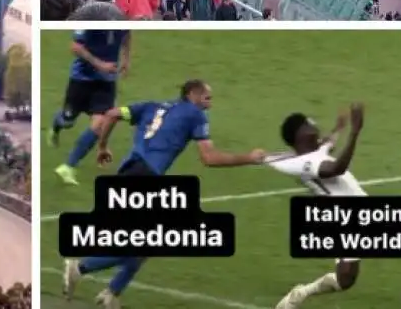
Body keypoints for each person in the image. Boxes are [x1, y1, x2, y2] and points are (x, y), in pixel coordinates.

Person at [62, 80, 267, 308]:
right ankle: (81, 268)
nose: (210, 103)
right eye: (207, 97)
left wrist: (102, 147)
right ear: (193, 95)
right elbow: (209, 158)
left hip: (130, 173)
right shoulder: (195, 115)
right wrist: (248, 158)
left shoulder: (153, 106)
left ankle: (112, 292)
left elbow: (111, 114)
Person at [269, 106, 401, 309]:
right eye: (309, 124)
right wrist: (354, 131)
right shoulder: (304, 163)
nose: (314, 125)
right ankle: (301, 293)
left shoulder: (314, 152)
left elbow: (326, 144)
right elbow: (337, 168)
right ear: (300, 134)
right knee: (346, 279)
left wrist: (338, 128)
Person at [50, 30, 131, 186]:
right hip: (81, 80)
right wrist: (101, 65)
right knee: (68, 121)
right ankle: (57, 123)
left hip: (106, 83)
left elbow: (127, 33)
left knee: (100, 124)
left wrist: (126, 58)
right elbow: (75, 47)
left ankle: (68, 166)